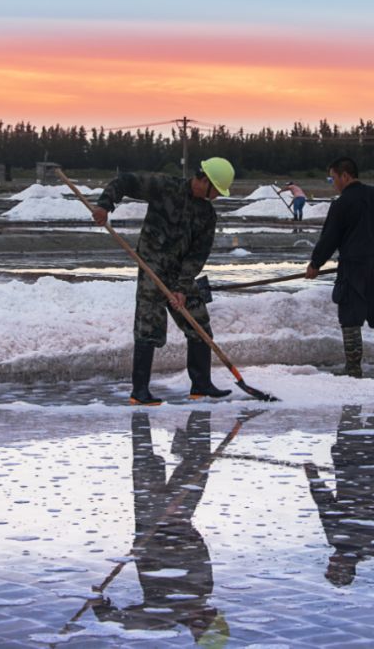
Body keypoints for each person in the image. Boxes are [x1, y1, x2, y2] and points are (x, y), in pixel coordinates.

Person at [92, 159, 235, 405]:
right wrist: (105, 206)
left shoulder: (207, 214)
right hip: (152, 267)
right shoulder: (164, 187)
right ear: (204, 181)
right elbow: (125, 181)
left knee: (199, 323)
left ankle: (201, 385)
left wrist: (182, 287)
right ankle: (140, 392)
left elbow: (197, 255)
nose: (217, 198)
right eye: (216, 191)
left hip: (180, 273)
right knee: (149, 327)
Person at [93, 411, 228, 644]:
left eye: (211, 618)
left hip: (154, 523)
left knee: (149, 459)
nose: (213, 611)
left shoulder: (169, 614)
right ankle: (197, 408)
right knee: (195, 461)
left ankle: (144, 409)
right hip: (177, 516)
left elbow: (130, 622)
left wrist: (102, 610)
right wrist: (182, 526)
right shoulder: (201, 594)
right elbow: (198, 552)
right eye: (215, 615)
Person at [305, 157, 374, 376]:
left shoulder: (342, 203)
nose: (333, 182)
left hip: (353, 267)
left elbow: (330, 237)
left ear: (345, 175)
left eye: (333, 177)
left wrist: (315, 264)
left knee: (351, 315)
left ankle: (353, 367)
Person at [304, 403, 374, 586]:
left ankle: (355, 379)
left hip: (349, 461)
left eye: (329, 565)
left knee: (353, 408)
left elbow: (326, 504)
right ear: (346, 567)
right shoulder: (371, 546)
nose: (330, 561)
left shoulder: (338, 539)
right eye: (333, 566)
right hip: (371, 461)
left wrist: (314, 477)